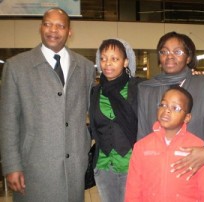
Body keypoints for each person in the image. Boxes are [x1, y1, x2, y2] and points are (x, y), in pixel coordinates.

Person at [0, 8, 95, 202]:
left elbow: (92, 112)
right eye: (48, 24)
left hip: (74, 169)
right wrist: (11, 165)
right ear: (40, 27)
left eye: (60, 25)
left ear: (69, 32)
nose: (53, 30)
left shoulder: (85, 67)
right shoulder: (17, 67)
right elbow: (8, 121)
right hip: (34, 169)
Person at [137, 31, 204, 197]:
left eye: (178, 52)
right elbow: (143, 136)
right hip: (158, 178)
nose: (169, 56)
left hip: (196, 174)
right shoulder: (146, 89)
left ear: (189, 58)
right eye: (164, 51)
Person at [125, 86, 204, 202]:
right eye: (163, 105)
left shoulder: (197, 147)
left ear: (187, 117)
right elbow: (133, 190)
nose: (167, 110)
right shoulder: (141, 147)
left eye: (175, 108)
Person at [89, 38, 143, 202]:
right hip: (104, 165)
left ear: (126, 62)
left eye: (114, 58)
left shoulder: (138, 88)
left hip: (132, 165)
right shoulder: (95, 92)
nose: (107, 63)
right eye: (103, 58)